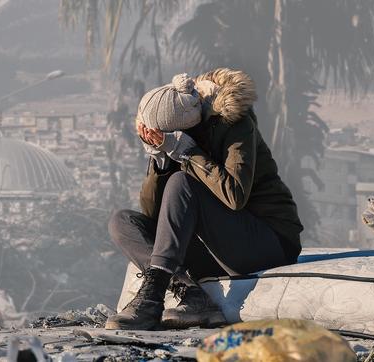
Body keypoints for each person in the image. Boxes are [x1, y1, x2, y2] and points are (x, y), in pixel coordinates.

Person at [105, 69, 304, 330]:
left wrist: (188, 152)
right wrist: (160, 158)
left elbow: (234, 196)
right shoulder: (177, 139)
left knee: (182, 182)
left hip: (267, 242)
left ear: (185, 125)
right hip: (214, 244)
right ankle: (191, 294)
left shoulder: (235, 125)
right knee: (122, 221)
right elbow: (155, 214)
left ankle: (151, 299)